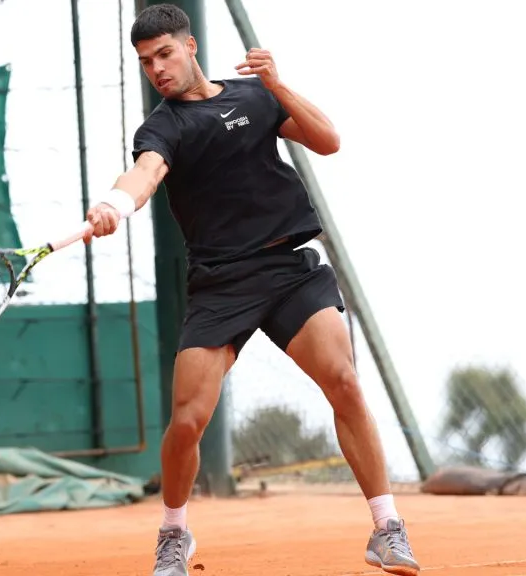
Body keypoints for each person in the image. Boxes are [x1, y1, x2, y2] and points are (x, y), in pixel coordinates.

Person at [81, 4, 420, 576]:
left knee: (344, 381)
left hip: (290, 269)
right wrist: (115, 204)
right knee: (188, 420)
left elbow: (328, 140)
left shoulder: (255, 96)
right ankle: (174, 535)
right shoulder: (163, 126)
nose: (157, 69)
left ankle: (387, 527)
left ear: (190, 47)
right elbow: (145, 172)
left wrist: (278, 85)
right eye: (145, 62)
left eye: (164, 54)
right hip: (220, 283)